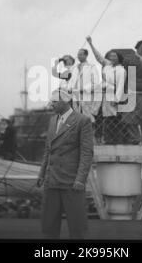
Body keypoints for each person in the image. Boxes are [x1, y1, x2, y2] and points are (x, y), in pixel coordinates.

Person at [37, 89, 93, 239]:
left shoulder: (82, 121)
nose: (51, 104)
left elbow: (86, 153)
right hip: (52, 181)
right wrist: (42, 174)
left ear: (66, 101)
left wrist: (80, 179)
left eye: (54, 101)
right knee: (49, 227)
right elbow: (48, 150)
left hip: (71, 182)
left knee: (77, 228)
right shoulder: (52, 120)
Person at [86, 36, 126, 144]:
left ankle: (113, 141)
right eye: (110, 56)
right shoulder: (107, 65)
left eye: (114, 56)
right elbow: (98, 57)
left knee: (112, 120)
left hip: (111, 96)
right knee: (98, 118)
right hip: (101, 96)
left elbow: (120, 85)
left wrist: (117, 99)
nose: (112, 58)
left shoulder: (121, 69)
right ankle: (98, 140)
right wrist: (91, 44)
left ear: (118, 58)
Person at [68, 48, 101, 123]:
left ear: (86, 55)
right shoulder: (75, 68)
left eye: (81, 54)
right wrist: (69, 88)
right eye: (78, 55)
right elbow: (72, 80)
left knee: (88, 117)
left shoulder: (92, 66)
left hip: (87, 95)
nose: (79, 56)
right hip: (76, 96)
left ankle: (91, 132)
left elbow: (95, 82)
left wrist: (84, 89)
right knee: (78, 117)